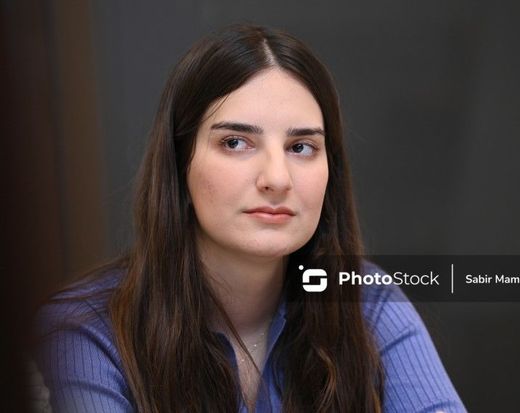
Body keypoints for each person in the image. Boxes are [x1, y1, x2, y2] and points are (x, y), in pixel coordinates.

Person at [34, 24, 466, 412]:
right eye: (236, 143)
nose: (276, 178)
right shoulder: (85, 329)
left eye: (301, 147)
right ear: (180, 164)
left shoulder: (365, 300)